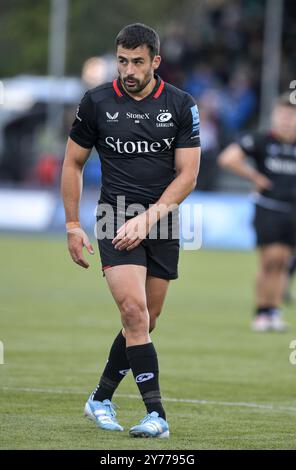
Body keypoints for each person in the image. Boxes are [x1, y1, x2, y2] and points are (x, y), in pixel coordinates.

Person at [61, 23, 201, 438]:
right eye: (122, 61)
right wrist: (72, 224)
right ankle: (156, 414)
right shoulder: (97, 101)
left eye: (137, 62)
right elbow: (72, 163)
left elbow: (188, 174)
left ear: (155, 61)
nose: (128, 70)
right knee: (133, 313)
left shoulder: (180, 104)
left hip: (163, 219)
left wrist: (150, 217)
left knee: (148, 320)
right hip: (114, 217)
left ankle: (100, 397)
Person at [218, 93, 296, 332]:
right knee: (270, 259)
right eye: (283, 114)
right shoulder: (261, 140)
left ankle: (273, 311)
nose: (287, 120)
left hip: (293, 210)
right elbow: (228, 158)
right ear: (275, 115)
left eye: (292, 116)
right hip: (268, 208)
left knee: (284, 261)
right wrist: (255, 177)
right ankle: (261, 312)